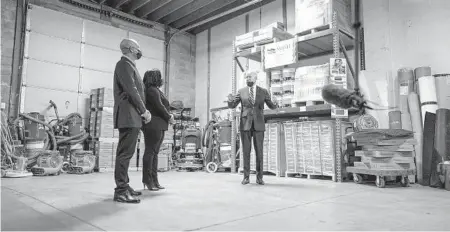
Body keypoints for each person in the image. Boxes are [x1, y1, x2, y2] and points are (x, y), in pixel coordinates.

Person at [113, 38, 151, 204]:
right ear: (129, 49)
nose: (139, 50)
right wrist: (144, 110)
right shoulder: (124, 65)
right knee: (125, 154)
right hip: (129, 116)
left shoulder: (130, 66)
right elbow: (132, 90)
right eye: (137, 48)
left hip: (132, 116)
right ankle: (120, 190)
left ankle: (125, 186)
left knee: (126, 153)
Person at [227, 71, 278, 185]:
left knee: (259, 152)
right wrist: (230, 101)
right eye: (246, 77)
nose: (247, 79)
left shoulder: (263, 91)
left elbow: (271, 106)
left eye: (249, 77)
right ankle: (246, 177)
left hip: (259, 124)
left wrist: (275, 103)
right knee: (246, 152)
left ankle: (259, 178)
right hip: (245, 125)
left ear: (255, 78)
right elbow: (233, 105)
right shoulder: (241, 91)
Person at [141, 69, 174, 191]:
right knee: (150, 153)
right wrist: (169, 117)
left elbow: (163, 105)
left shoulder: (155, 90)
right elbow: (159, 106)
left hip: (158, 125)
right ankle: (148, 180)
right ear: (154, 78)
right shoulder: (151, 90)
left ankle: (154, 180)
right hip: (154, 125)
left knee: (154, 153)